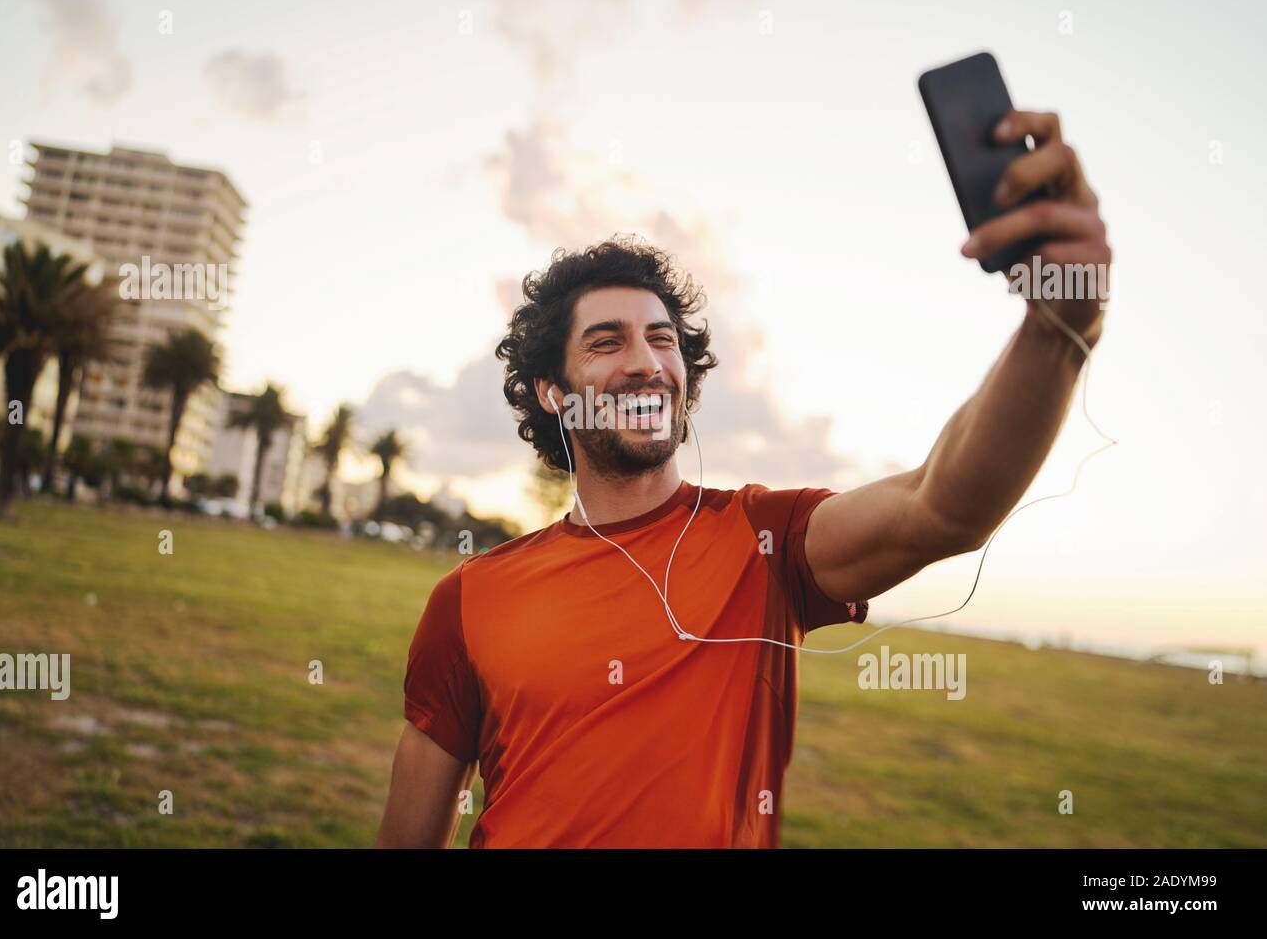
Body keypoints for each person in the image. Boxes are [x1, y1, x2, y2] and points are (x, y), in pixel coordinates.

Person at [375, 108, 1110, 848]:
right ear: (552, 392)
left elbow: (943, 506)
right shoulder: (467, 600)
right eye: (607, 341)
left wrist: (1060, 328)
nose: (645, 360)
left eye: (663, 340)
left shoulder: (765, 539)